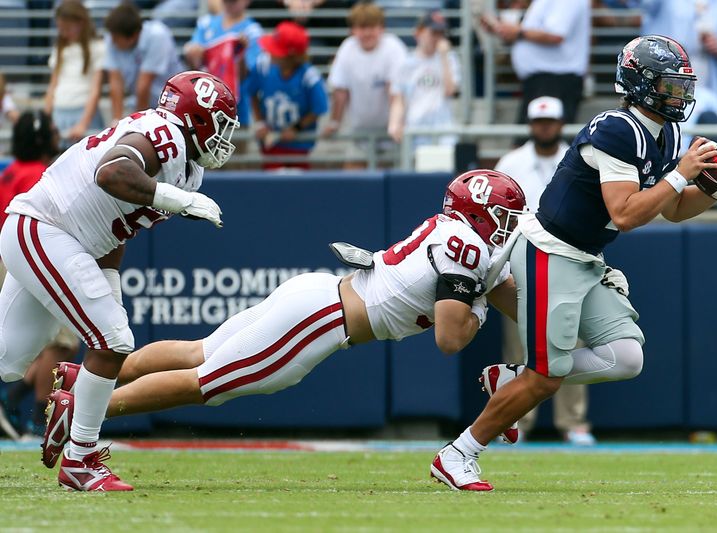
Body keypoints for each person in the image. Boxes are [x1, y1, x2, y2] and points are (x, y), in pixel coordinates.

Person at [430, 35, 717, 491]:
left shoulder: (666, 132)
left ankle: (508, 378)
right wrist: (679, 174)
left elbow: (672, 208)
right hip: (551, 251)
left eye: (682, 85)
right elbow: (625, 213)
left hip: (584, 257)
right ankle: (459, 453)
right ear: (641, 84)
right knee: (547, 377)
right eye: (670, 85)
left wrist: (709, 190)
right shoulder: (616, 129)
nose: (680, 94)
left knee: (627, 356)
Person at [45, 171, 526, 435]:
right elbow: (449, 337)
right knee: (206, 382)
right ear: (479, 216)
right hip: (324, 321)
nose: (508, 228)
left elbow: (519, 304)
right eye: (503, 218)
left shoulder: (461, 239)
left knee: (200, 353)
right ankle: (86, 411)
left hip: (317, 296)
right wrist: (480, 303)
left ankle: (81, 379)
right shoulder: (465, 247)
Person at [0, 71, 240, 491]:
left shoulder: (186, 164)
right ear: (196, 118)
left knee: (6, 362)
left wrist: (109, 282)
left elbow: (115, 227)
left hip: (56, 236)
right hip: (45, 228)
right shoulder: (165, 135)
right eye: (219, 124)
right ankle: (81, 459)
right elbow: (111, 173)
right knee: (113, 341)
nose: (224, 137)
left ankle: (77, 425)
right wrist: (178, 200)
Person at [493, 96, 595, 446]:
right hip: (521, 261)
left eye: (549, 121)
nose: (544, 127)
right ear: (530, 125)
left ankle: (573, 421)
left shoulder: (581, 156)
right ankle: (517, 421)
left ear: (560, 123)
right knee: (520, 345)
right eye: (539, 122)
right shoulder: (512, 161)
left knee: (571, 340)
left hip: (569, 259)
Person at [0, 111, 80, 440]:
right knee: (63, 341)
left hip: (9, 259)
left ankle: (12, 403)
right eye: (50, 130)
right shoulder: (36, 173)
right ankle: (38, 420)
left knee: (30, 345)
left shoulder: (11, 171)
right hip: (28, 259)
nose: (56, 134)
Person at [323, 1, 407, 168]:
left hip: (390, 134)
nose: (368, 33)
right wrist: (334, 122)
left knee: (392, 183)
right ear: (353, 29)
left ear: (381, 28)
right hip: (359, 135)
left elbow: (395, 92)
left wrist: (395, 124)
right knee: (353, 184)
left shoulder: (393, 48)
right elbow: (340, 91)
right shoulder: (347, 49)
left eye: (372, 27)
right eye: (362, 28)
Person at [481, 0, 590, 124]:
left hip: (555, 80)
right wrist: (501, 28)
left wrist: (516, 32)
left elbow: (556, 35)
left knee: (546, 139)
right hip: (546, 80)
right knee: (529, 140)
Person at [249, 21, 328, 170]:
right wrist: (260, 123)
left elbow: (319, 108)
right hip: (270, 143)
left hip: (299, 145)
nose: (269, 51)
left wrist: (296, 128)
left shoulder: (309, 77)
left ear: (292, 56)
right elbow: (252, 92)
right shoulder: (263, 66)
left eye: (276, 50)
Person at [387, 10, 460, 148]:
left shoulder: (450, 59)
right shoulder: (405, 63)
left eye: (441, 34)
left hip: (444, 135)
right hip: (415, 134)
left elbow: (450, 91)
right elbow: (398, 99)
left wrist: (444, 57)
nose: (438, 38)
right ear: (418, 33)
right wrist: (394, 123)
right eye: (433, 33)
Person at [183, 0, 262, 127]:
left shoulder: (252, 31)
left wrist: (241, 53)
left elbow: (247, 74)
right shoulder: (206, 23)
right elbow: (194, 64)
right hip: (203, 106)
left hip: (236, 111)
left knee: (236, 144)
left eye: (234, 1)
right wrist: (193, 53)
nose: (230, 4)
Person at [103, 2, 184, 126]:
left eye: (116, 38)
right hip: (146, 104)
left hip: (174, 103)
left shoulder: (158, 35)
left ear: (133, 36)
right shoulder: (112, 37)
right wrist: (116, 120)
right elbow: (115, 81)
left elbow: (144, 85)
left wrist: (139, 124)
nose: (112, 42)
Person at [44, 0, 106, 148]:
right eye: (60, 28)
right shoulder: (59, 48)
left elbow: (95, 90)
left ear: (81, 23)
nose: (64, 33)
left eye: (68, 28)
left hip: (83, 111)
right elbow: (53, 85)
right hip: (60, 111)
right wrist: (46, 118)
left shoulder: (97, 47)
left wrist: (83, 123)